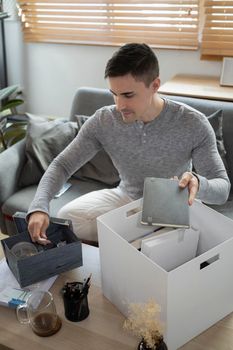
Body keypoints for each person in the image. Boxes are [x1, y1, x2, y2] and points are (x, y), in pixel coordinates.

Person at [27, 43, 230, 244]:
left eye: (128, 95)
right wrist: (39, 206)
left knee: (160, 248)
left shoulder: (193, 123)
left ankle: (140, 242)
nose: (120, 105)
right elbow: (63, 164)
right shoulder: (104, 120)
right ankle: (137, 241)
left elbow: (222, 189)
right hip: (127, 198)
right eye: (114, 94)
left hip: (173, 204)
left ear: (155, 85)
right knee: (67, 218)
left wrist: (198, 183)